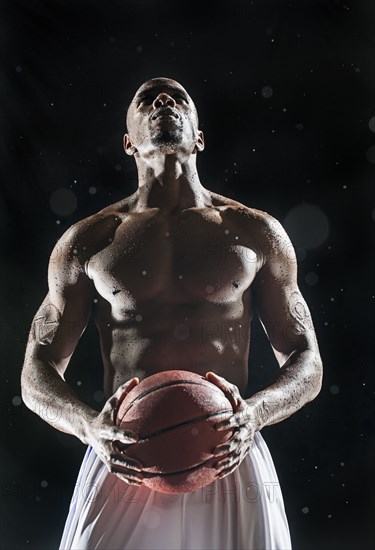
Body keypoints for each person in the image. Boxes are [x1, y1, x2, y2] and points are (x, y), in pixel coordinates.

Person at [21, 77, 323, 550]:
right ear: (128, 143)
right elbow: (35, 369)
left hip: (229, 452)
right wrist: (88, 427)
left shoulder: (256, 233)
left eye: (177, 96)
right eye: (147, 98)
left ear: (199, 137)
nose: (164, 101)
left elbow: (307, 359)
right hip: (123, 458)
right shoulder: (88, 242)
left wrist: (256, 415)